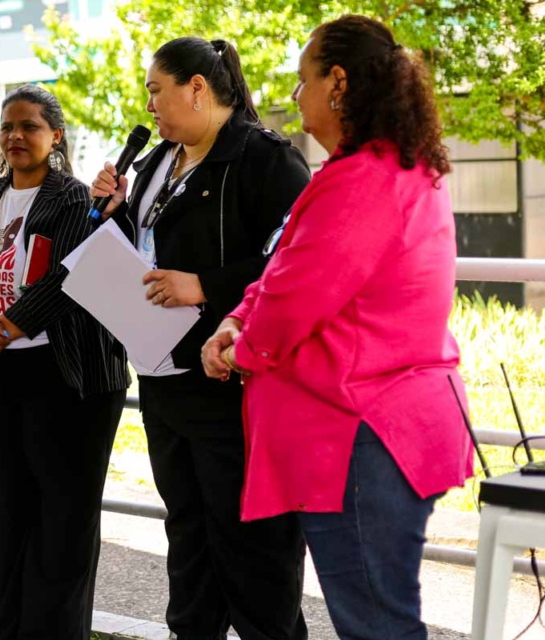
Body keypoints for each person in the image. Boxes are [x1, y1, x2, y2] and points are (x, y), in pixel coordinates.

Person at [202, 16, 473, 639]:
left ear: (339, 83)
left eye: (303, 81)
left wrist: (240, 348)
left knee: (376, 625)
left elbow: (295, 299)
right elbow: (285, 271)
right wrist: (238, 318)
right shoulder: (384, 168)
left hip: (362, 432)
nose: (295, 96)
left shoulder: (364, 179)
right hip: (374, 427)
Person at [88, 37, 311, 640]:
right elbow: (150, 250)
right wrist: (115, 215)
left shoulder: (266, 159)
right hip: (165, 380)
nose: (151, 105)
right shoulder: (160, 161)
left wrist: (206, 287)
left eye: (157, 90)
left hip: (236, 386)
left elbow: (296, 265)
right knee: (188, 541)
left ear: (197, 88)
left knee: (255, 552)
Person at [0, 84, 128, 639]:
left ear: (56, 136)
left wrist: (4, 329)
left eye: (30, 126)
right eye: (8, 127)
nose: (16, 136)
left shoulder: (73, 198)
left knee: (61, 524)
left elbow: (67, 279)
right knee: (2, 519)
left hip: (62, 379)